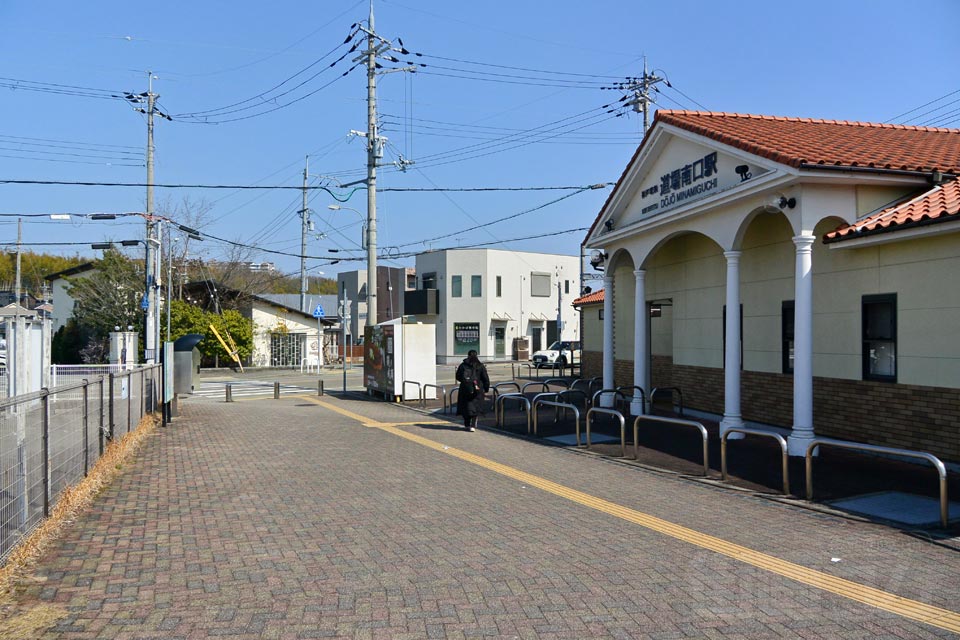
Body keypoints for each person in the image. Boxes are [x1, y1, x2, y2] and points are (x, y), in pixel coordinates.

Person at [455, 349, 490, 431]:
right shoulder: (480, 365)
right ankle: (473, 425)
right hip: (477, 389)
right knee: (476, 407)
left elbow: (458, 376)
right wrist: (486, 388)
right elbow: (485, 378)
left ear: (468, 355)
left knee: (465, 406)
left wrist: (465, 382)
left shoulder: (463, 365)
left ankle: (467, 424)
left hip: (465, 389)